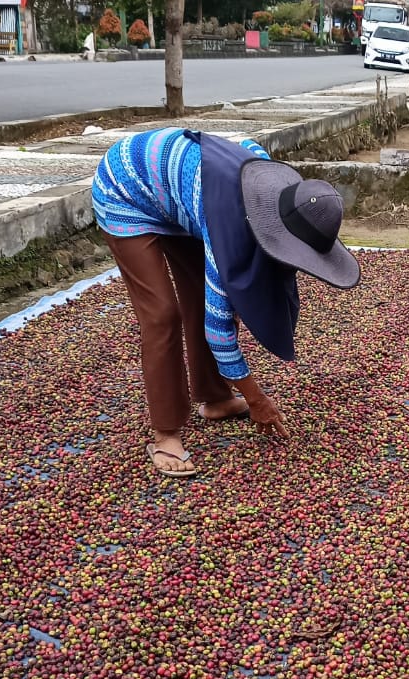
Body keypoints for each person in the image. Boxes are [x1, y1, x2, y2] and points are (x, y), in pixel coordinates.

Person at [92, 129, 360, 478]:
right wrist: (256, 399)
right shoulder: (227, 227)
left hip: (182, 198)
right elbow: (219, 332)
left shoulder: (272, 186)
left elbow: (246, 146)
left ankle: (215, 398)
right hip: (125, 187)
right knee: (162, 314)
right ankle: (165, 433)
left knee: (202, 296)